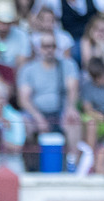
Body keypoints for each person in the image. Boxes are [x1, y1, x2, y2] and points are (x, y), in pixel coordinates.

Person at [19, 31, 81, 169]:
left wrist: (70, 108)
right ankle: (28, 165)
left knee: (74, 120)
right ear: (39, 48)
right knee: (23, 123)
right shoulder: (28, 69)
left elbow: (72, 90)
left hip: (60, 111)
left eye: (52, 46)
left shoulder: (68, 65)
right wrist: (38, 117)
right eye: (45, 46)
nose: (49, 50)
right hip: (36, 113)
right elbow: (24, 99)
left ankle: (72, 163)